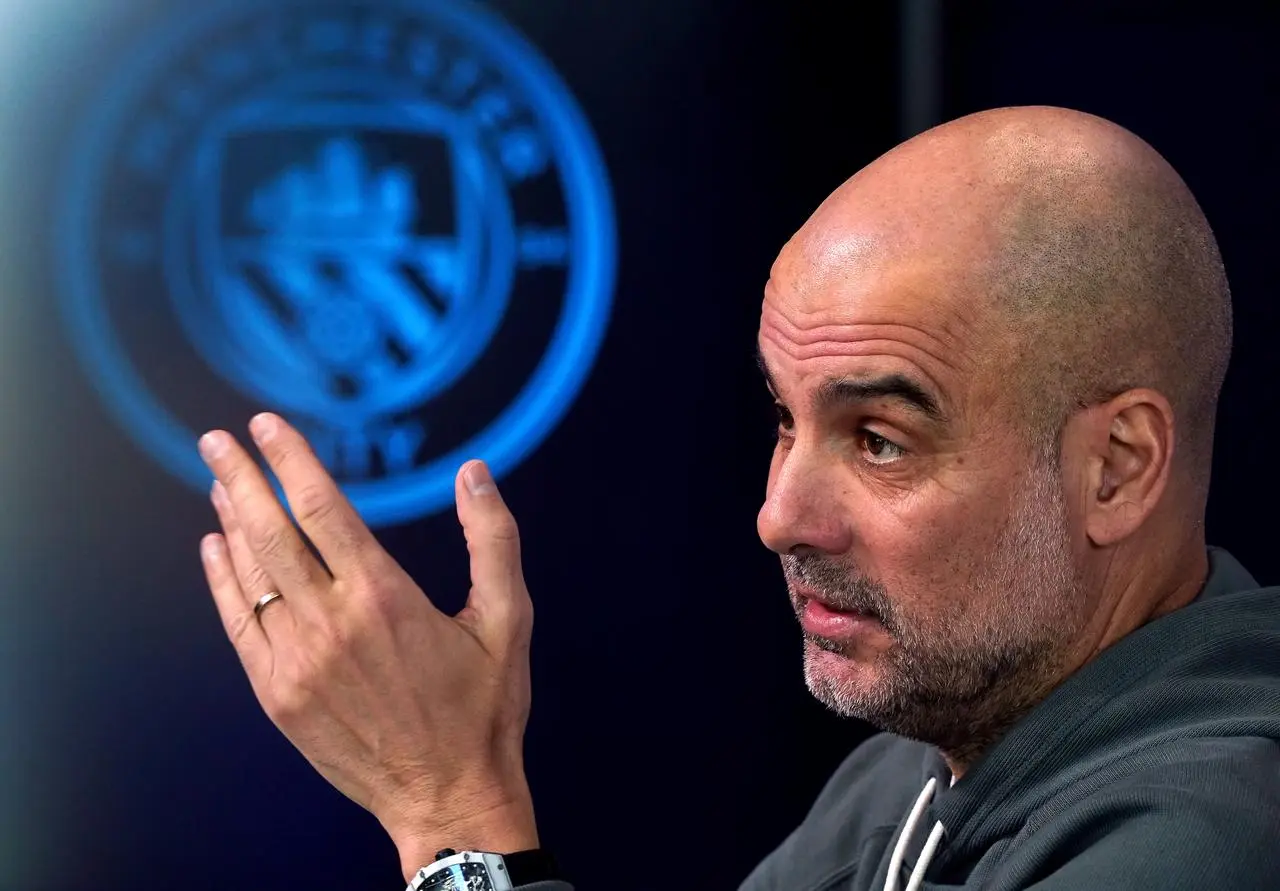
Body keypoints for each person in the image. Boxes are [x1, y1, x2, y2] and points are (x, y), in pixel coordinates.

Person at [195, 106, 1280, 891]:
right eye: (782, 418)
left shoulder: (1205, 838)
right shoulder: (913, 771)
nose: (778, 517)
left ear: (1116, 467)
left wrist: (453, 818)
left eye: (879, 440)